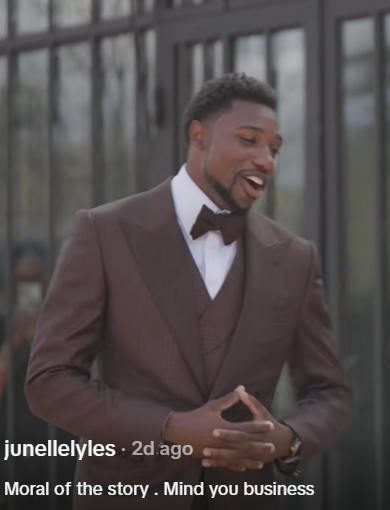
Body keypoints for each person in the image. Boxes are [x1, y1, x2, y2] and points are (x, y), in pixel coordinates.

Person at [24, 73, 352, 510]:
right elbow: (50, 381)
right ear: (198, 135)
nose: (267, 160)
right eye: (249, 140)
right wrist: (170, 428)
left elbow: (330, 392)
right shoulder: (104, 233)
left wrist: (287, 439)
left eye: (273, 149)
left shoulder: (294, 258)